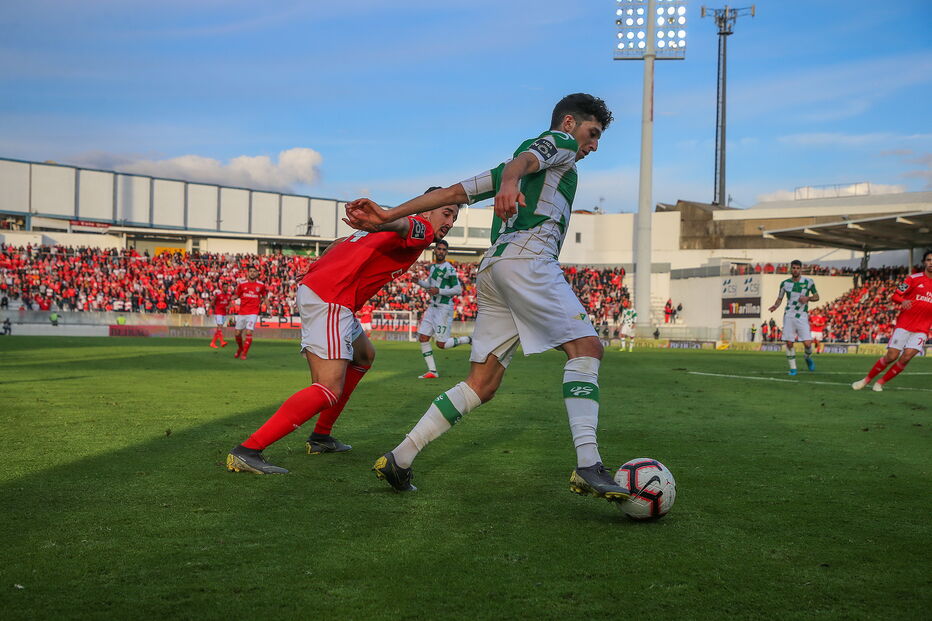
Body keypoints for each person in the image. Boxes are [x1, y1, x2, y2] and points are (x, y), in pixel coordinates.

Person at [345, 93, 630, 502]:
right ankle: (589, 464)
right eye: (593, 133)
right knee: (587, 347)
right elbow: (526, 161)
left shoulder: (517, 164)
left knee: (482, 383)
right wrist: (513, 180)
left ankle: (400, 457)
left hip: (494, 269)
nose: (593, 145)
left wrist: (388, 216)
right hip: (527, 260)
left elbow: (453, 192)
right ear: (569, 124)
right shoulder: (559, 144)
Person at [225, 197, 460, 474]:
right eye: (446, 213)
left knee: (364, 355)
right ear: (427, 209)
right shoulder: (420, 225)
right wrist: (386, 218)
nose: (449, 223)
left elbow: (339, 243)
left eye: (454, 218)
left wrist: (321, 265)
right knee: (328, 388)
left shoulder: (380, 229)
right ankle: (248, 450)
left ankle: (321, 437)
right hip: (333, 296)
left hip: (328, 291)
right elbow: (406, 224)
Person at [852, 250, 932, 392]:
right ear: (924, 262)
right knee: (891, 356)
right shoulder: (912, 279)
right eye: (929, 259)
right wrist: (903, 300)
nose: (931, 263)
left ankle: (880, 382)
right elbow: (895, 296)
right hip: (904, 325)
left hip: (923, 329)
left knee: (906, 357)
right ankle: (866, 380)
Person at [416, 235, 472, 379]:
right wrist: (419, 282)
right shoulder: (433, 267)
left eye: (444, 250)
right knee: (423, 337)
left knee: (441, 344)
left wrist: (439, 291)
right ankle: (432, 372)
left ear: (446, 252)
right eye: (439, 249)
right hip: (433, 307)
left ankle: (469, 339)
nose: (441, 251)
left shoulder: (449, 269)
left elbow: (458, 289)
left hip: (444, 308)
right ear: (435, 250)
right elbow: (430, 285)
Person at [768, 259, 820, 376]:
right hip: (789, 315)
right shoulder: (785, 283)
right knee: (789, 343)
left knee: (807, 344)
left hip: (802, 316)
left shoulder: (809, 282)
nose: (795, 270)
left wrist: (808, 298)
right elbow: (780, 298)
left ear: (800, 269)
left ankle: (807, 357)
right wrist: (775, 306)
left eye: (797, 268)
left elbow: (817, 296)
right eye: (793, 268)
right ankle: (793, 369)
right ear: (790, 269)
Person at [232, 266, 268, 360]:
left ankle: (244, 353)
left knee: (249, 331)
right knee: (237, 333)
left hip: (253, 312)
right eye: (250, 271)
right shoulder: (242, 284)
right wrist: (230, 299)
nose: (252, 273)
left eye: (254, 271)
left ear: (257, 273)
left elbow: (265, 297)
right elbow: (236, 295)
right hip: (242, 312)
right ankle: (240, 348)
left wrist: (268, 308)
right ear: (247, 273)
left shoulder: (261, 285)